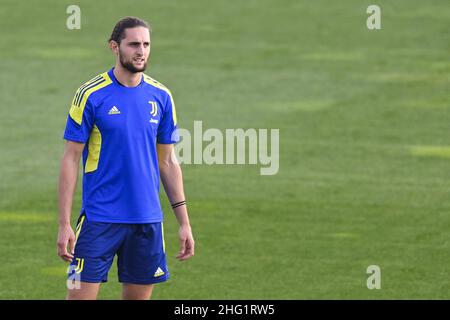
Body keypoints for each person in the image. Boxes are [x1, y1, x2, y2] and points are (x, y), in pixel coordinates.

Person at [56, 16, 194, 300]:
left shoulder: (162, 96)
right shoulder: (90, 95)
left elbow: (167, 162)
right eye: (133, 44)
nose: (140, 51)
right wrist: (64, 222)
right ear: (114, 47)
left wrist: (184, 222)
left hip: (147, 222)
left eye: (145, 44)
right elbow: (71, 158)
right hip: (97, 221)